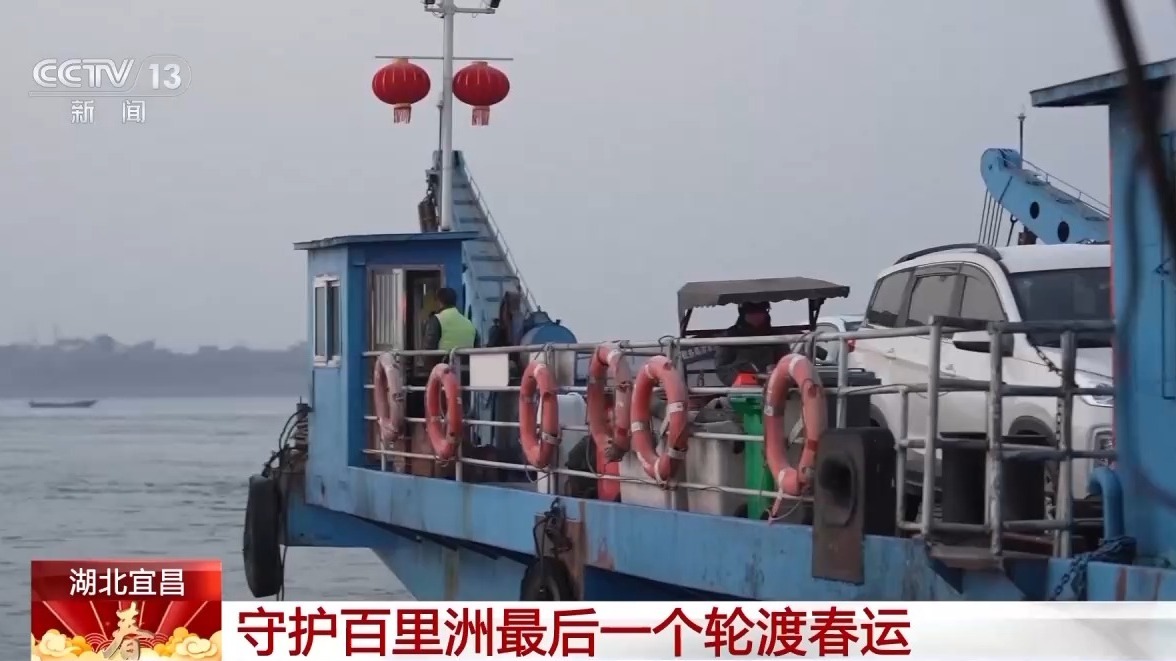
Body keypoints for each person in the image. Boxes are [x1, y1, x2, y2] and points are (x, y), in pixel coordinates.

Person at [713, 301, 791, 387]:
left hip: (773, 385)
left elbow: (786, 362)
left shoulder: (776, 336)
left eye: (761, 311)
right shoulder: (729, 336)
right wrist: (739, 375)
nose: (757, 316)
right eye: (752, 312)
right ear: (743, 313)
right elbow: (722, 368)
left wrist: (776, 375)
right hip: (742, 388)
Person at [423, 287, 477, 353]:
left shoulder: (437, 320)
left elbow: (429, 350)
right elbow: (476, 349)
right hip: (467, 360)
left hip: (443, 359)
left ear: (439, 302)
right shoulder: (469, 324)